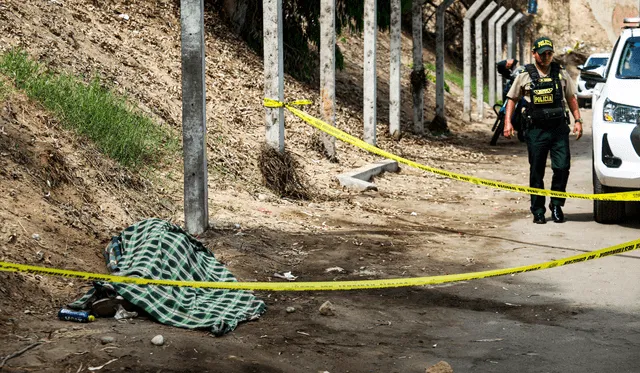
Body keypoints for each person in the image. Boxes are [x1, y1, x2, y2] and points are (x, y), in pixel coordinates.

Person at [503, 37, 583, 224]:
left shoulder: (560, 73)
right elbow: (512, 99)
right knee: (537, 171)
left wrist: (578, 120)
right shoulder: (524, 74)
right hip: (536, 130)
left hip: (558, 129)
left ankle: (556, 205)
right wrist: (508, 122)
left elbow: (571, 97)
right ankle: (538, 210)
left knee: (562, 168)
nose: (546, 57)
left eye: (549, 53)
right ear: (534, 54)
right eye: (542, 53)